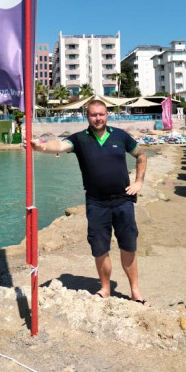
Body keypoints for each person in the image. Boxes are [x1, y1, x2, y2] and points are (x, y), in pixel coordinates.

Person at [31, 100, 149, 305]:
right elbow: (59, 145)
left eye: (101, 114)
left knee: (128, 246)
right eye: (94, 115)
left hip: (123, 201)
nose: (98, 118)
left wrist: (139, 181)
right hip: (96, 203)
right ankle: (105, 289)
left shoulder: (120, 136)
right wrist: (40, 147)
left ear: (107, 115)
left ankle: (135, 291)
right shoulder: (80, 139)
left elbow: (141, 155)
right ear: (87, 116)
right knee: (100, 248)